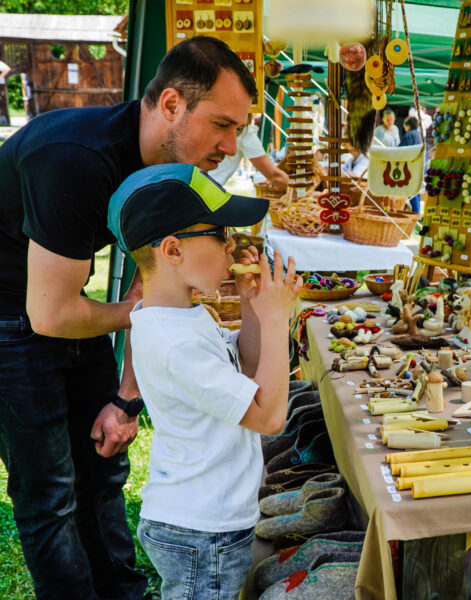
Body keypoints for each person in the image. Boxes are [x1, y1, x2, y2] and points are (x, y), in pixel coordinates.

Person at [0, 36, 257, 600]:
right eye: (221, 124)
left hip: (57, 307)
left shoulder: (171, 166)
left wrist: (125, 397)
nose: (232, 146)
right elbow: (52, 314)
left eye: (239, 129)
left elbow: (149, 292)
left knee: (102, 470)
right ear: (171, 105)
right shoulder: (75, 157)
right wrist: (137, 314)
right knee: (50, 493)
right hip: (14, 317)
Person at [107, 163, 301, 600]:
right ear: (173, 250)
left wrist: (253, 309)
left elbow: (247, 369)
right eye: (221, 235)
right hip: (201, 530)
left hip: (205, 518)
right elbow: (268, 417)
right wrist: (275, 319)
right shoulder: (175, 342)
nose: (233, 247)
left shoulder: (182, 315)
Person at [208, 114, 289, 188]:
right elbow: (274, 175)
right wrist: (297, 190)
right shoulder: (245, 132)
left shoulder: (213, 122)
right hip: (207, 188)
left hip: (204, 186)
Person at [400, 115, 424, 213]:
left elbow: (400, 150)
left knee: (411, 191)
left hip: (410, 167)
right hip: (419, 166)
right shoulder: (419, 135)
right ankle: (417, 214)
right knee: (416, 191)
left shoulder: (408, 135)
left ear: (408, 125)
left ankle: (415, 213)